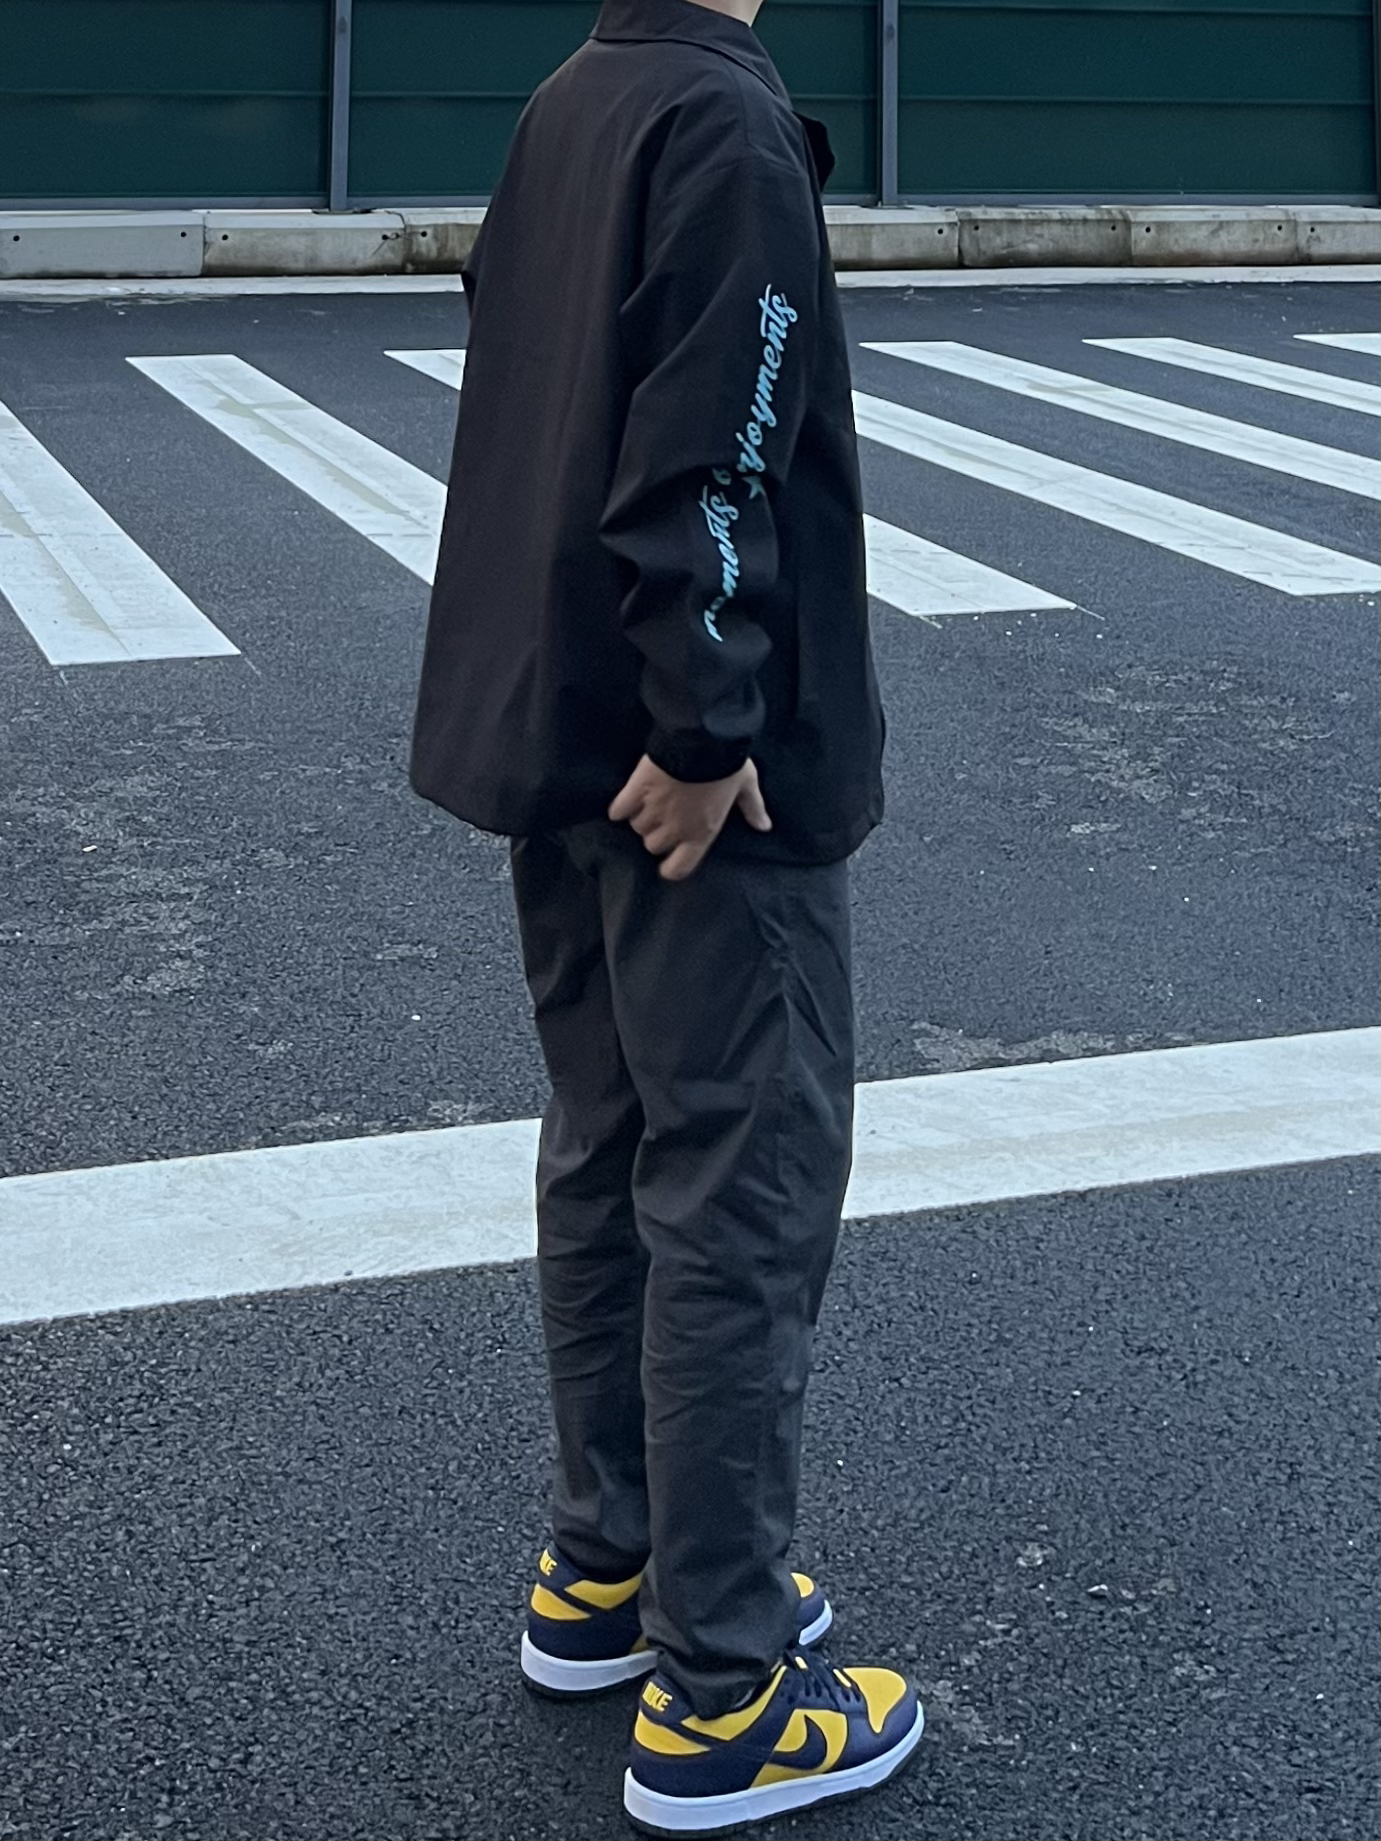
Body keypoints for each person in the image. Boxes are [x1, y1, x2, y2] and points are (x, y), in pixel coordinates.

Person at [411, 0, 923, 1830]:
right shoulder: (722, 124)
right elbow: (714, 446)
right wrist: (708, 727)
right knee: (738, 1191)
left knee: (610, 1144)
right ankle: (723, 1689)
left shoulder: (573, 100)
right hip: (691, 785)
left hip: (554, 740)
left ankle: (606, 1565)